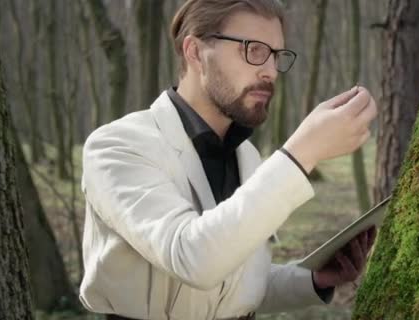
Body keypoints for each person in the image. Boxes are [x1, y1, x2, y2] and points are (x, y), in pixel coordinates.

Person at [79, 0, 378, 319]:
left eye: (276, 55)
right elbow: (193, 260)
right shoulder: (118, 146)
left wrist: (314, 279)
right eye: (254, 50)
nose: (270, 71)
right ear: (195, 52)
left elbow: (227, 291)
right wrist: (304, 153)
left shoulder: (245, 155)